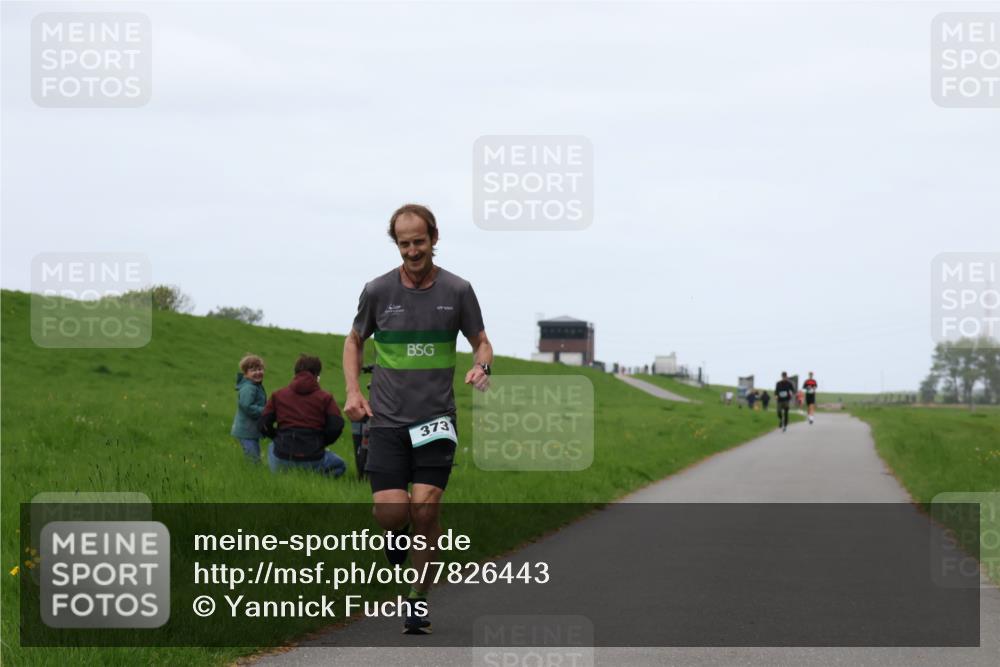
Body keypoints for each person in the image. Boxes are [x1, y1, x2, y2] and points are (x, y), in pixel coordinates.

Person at [343, 203, 492, 635]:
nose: (412, 251)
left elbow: (481, 341)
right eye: (405, 243)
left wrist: (482, 367)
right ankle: (396, 533)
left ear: (434, 238)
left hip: (436, 419)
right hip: (387, 419)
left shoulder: (458, 290)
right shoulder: (377, 291)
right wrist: (353, 391)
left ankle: (417, 599)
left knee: (426, 507)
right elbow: (353, 341)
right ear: (397, 244)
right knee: (392, 512)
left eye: (419, 241)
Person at [258, 355, 347, 477]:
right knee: (340, 465)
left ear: (295, 373)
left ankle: (280, 476)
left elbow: (263, 424)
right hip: (313, 457)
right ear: (317, 375)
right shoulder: (325, 397)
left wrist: (277, 437)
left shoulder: (278, 395)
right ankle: (316, 481)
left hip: (282, 456)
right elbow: (337, 424)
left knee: (272, 446)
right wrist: (322, 442)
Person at [230, 354, 267, 462]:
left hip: (251, 429)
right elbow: (247, 406)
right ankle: (253, 472)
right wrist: (265, 410)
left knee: (255, 454)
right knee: (253, 458)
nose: (258, 372)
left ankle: (255, 471)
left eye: (260, 369)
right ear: (246, 373)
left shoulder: (256, 386)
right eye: (253, 370)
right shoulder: (249, 388)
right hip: (246, 430)